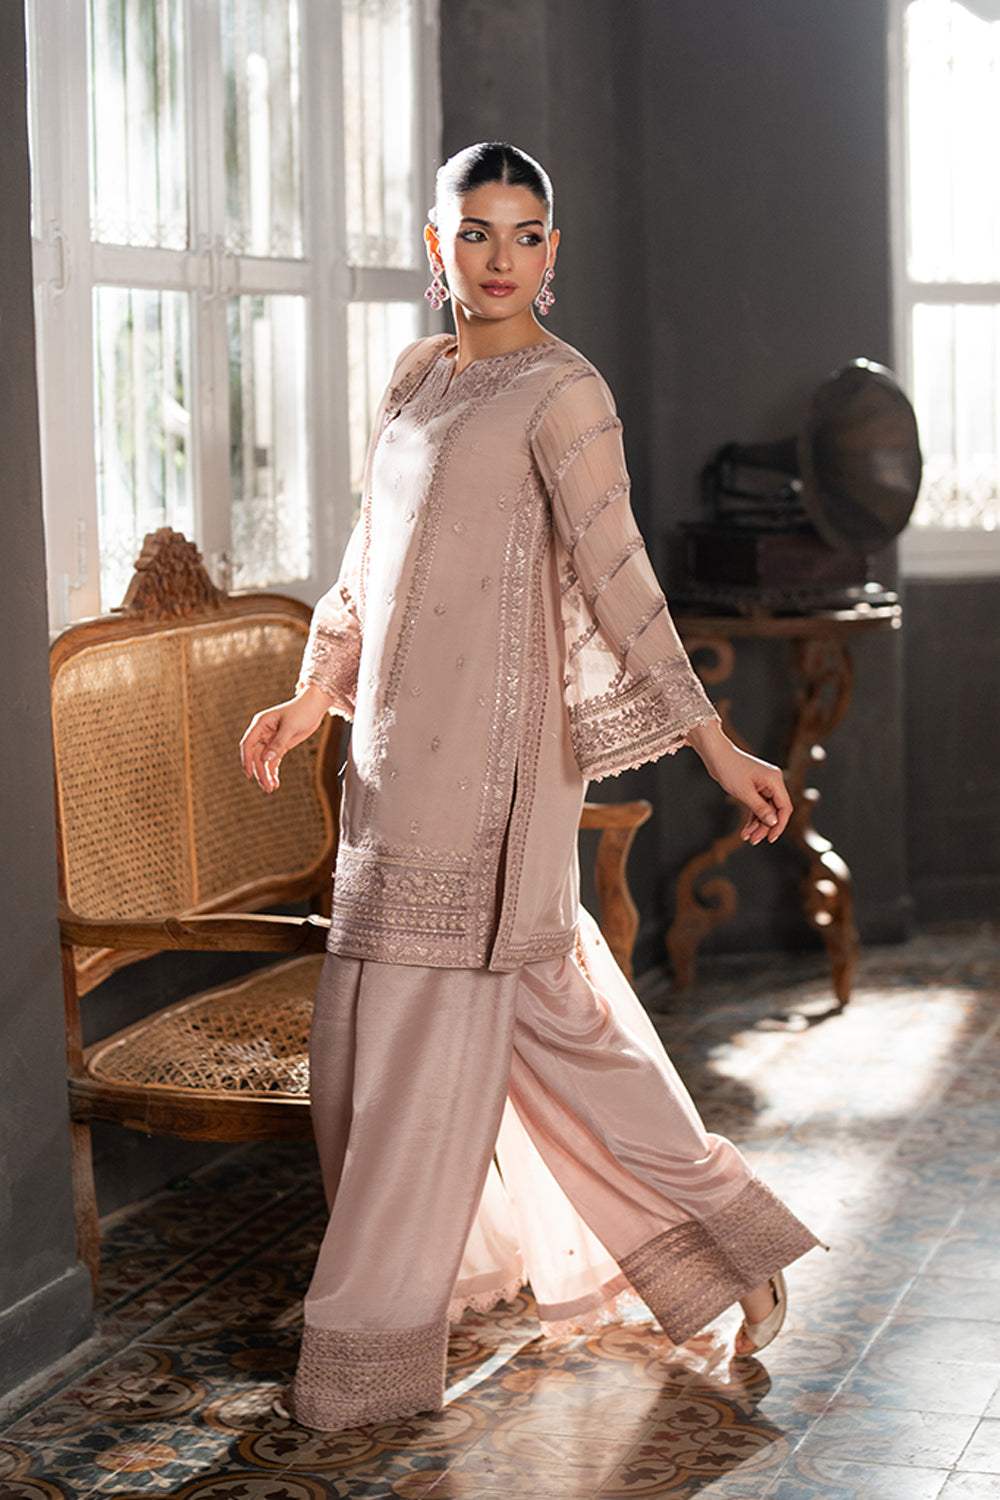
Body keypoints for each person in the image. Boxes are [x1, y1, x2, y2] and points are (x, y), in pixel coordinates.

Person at [240, 142, 819, 1435]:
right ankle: (737, 1244)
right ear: (434, 245)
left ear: (555, 252)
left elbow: (621, 580)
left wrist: (717, 747)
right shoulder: (416, 378)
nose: (500, 258)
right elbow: (370, 559)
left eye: (526, 233)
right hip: (392, 758)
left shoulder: (567, 393)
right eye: (476, 231)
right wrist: (313, 691)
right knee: (516, 1029)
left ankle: (365, 1357)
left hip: (500, 768)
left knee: (414, 1051)